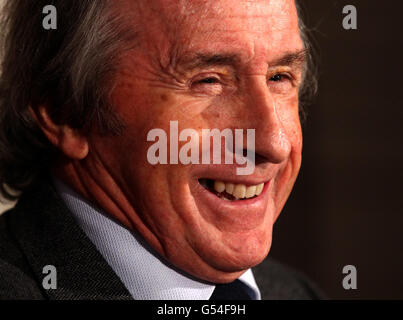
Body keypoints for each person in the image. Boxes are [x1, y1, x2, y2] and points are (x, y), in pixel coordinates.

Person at [0, 0, 322, 299]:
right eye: (208, 81)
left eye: (279, 77)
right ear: (65, 111)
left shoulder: (297, 293)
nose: (273, 143)